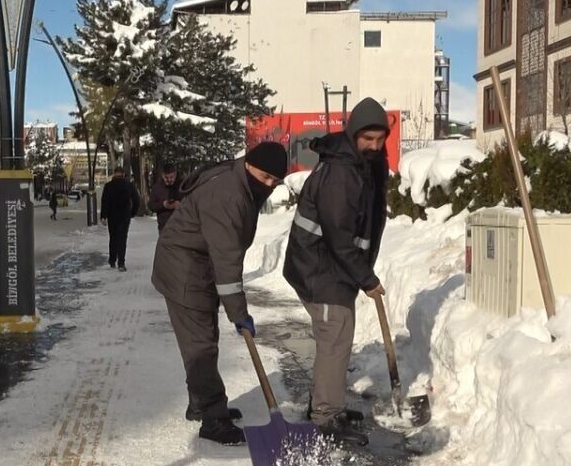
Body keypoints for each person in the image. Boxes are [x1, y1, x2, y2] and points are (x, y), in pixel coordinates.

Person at [151, 142, 288, 445]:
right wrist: (239, 313)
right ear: (248, 164)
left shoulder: (240, 181)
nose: (268, 185)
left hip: (198, 264)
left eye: (274, 181)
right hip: (184, 269)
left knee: (204, 338)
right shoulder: (228, 194)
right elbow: (227, 263)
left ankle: (201, 403)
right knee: (200, 346)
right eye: (265, 176)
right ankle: (213, 420)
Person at [283, 98, 391, 447]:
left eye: (380, 139)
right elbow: (338, 237)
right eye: (368, 139)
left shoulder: (357, 164)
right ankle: (325, 418)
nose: (374, 146)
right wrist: (367, 279)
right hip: (320, 268)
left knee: (336, 339)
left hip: (330, 266)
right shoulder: (342, 174)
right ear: (353, 134)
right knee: (335, 338)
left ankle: (325, 403)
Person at [99, 167, 139, 271]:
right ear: (123, 174)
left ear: (114, 174)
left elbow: (104, 201)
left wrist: (103, 216)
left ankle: (112, 260)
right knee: (122, 238)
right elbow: (136, 200)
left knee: (113, 237)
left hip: (112, 215)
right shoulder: (129, 185)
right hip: (124, 215)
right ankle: (121, 263)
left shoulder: (108, 186)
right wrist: (132, 213)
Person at [148, 163, 181, 232]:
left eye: (171, 177)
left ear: (175, 175)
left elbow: (190, 202)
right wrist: (163, 205)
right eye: (166, 177)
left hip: (180, 225)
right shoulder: (157, 187)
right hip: (164, 226)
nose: (169, 180)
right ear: (163, 175)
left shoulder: (181, 186)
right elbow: (151, 205)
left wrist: (180, 204)